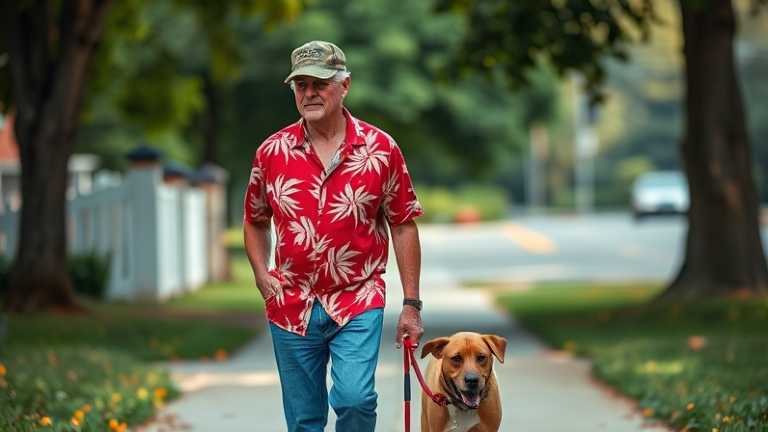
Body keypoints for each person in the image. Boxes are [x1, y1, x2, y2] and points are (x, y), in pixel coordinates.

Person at [243, 40, 425, 432]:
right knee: (305, 421)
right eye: (300, 85)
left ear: (345, 85)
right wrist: (261, 273)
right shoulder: (271, 152)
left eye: (320, 83)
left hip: (357, 298)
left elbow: (404, 222)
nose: (309, 93)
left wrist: (411, 304)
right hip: (290, 304)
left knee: (356, 400)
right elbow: (255, 219)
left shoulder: (381, 149)